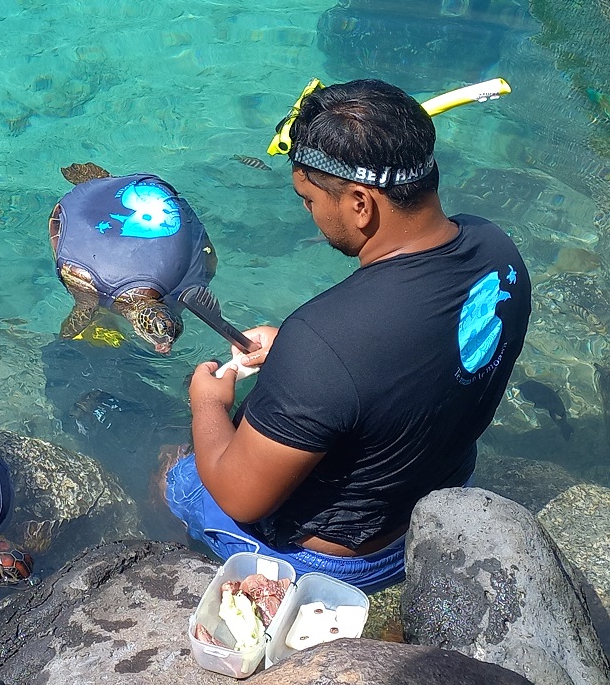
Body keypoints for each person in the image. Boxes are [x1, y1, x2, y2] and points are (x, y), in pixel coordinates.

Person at [165, 78, 531, 593]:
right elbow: (415, 355)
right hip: (437, 497)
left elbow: (240, 497)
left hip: (346, 559)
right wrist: (295, 352)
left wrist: (206, 403)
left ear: (360, 203)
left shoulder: (325, 341)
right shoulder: (498, 251)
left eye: (308, 198)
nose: (309, 213)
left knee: (175, 473)